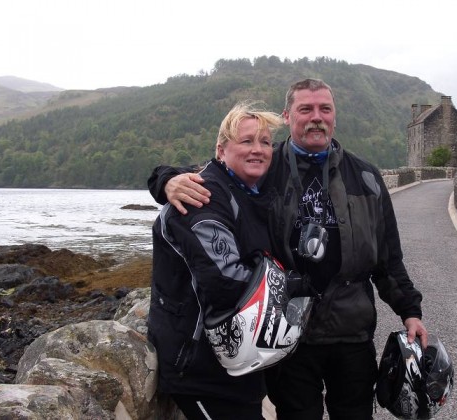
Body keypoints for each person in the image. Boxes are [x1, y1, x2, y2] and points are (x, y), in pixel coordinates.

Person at [148, 79, 428, 420]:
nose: (316, 118)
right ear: (288, 116)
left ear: (335, 116)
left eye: (324, 109)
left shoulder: (366, 177)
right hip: (290, 337)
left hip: (351, 332)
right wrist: (166, 180)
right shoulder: (266, 168)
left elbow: (388, 258)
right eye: (305, 109)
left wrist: (410, 311)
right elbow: (213, 176)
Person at [148, 101, 285, 420]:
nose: (258, 149)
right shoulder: (201, 196)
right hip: (199, 369)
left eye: (265, 142)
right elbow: (225, 281)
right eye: (247, 141)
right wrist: (290, 285)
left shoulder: (249, 192)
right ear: (221, 150)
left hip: (235, 363)